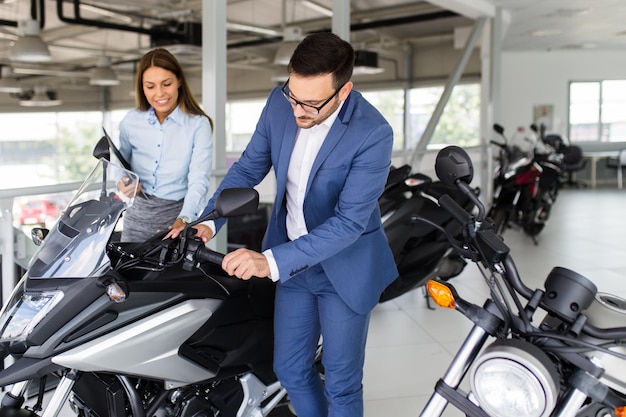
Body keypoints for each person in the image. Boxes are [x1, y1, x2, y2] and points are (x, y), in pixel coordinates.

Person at [179, 32, 397, 417]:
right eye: (293, 95)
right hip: (295, 265)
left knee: (342, 383)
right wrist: (209, 222)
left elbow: (348, 223)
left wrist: (268, 262)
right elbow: (248, 167)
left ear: (343, 91)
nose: (298, 110)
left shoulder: (372, 132)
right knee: (290, 369)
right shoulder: (279, 105)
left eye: (311, 103)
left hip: (344, 268)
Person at [117, 47, 213, 242]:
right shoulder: (131, 121)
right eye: (150, 86)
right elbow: (119, 163)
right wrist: (122, 182)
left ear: (179, 81)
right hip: (136, 217)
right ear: (142, 88)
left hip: (175, 220)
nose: (159, 93)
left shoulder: (198, 125)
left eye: (166, 84)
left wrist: (185, 218)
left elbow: (198, 179)